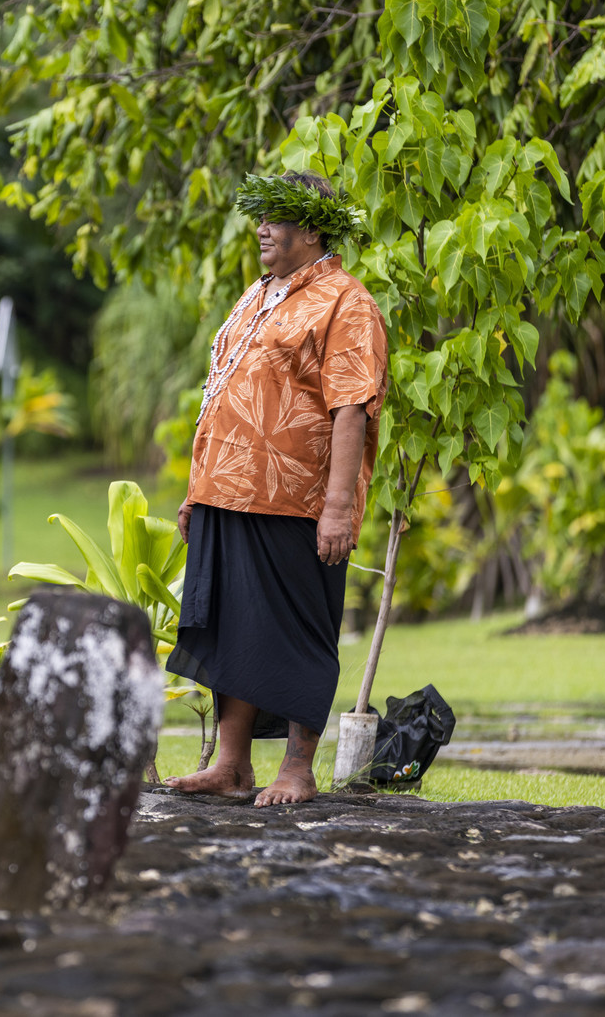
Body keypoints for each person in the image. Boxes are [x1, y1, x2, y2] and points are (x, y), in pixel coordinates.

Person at [164, 169, 386, 807]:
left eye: (277, 218)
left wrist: (337, 508)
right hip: (226, 491)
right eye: (260, 216)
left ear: (312, 228)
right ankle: (231, 765)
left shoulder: (346, 301)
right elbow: (222, 390)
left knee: (296, 630)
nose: (262, 228)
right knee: (231, 627)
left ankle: (297, 768)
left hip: (296, 498)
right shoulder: (259, 294)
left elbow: (352, 407)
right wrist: (197, 488)